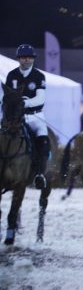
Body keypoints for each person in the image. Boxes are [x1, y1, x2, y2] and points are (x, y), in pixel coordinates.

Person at [1, 44, 50, 189]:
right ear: (19, 59)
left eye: (29, 57)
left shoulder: (39, 76)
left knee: (43, 139)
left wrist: (24, 103)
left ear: (33, 59)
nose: (26, 60)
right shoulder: (11, 75)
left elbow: (40, 98)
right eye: (23, 57)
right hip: (14, 118)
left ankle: (39, 174)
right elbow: (7, 96)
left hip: (35, 116)